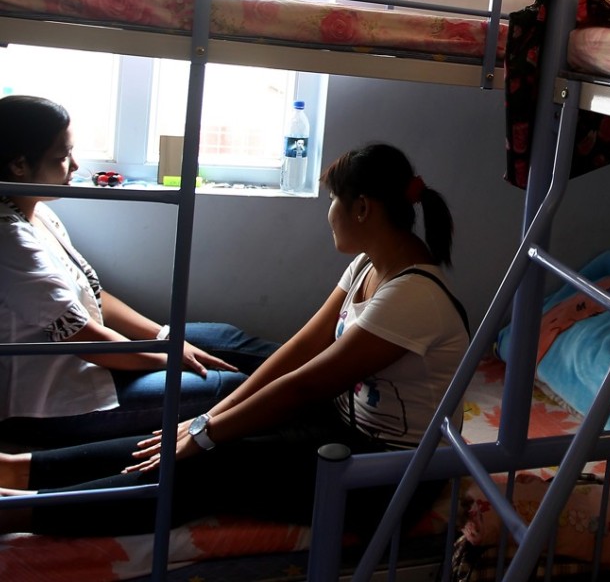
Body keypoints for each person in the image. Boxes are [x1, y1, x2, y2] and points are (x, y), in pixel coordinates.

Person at [0, 141, 470, 538]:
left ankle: (19, 511)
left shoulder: (412, 297)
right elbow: (299, 350)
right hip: (343, 431)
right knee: (177, 439)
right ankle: (19, 469)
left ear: (362, 208)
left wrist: (207, 432)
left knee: (208, 468)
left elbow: (307, 383)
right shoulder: (370, 263)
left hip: (388, 475)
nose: (329, 213)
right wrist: (206, 420)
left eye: (333, 201)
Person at [0, 95, 278, 448]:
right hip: (57, 399)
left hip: (87, 362)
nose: (74, 166)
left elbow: (95, 295)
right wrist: (169, 356)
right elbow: (85, 340)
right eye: (62, 157)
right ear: (19, 165)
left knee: (220, 338)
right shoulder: (10, 238)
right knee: (232, 385)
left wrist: (164, 336)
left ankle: (325, 372)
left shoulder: (35, 213)